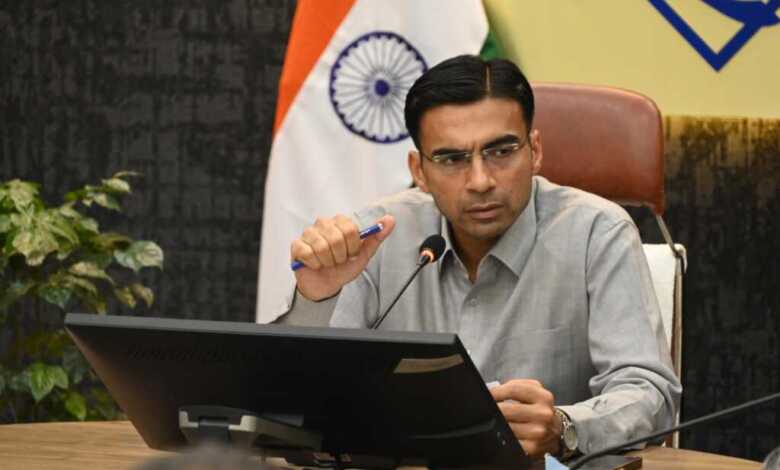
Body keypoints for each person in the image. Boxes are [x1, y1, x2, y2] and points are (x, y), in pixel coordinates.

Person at [274, 55, 681, 461]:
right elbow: (300, 404)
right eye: (452, 159)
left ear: (535, 151)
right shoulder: (376, 238)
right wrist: (316, 299)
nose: (481, 181)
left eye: (501, 151)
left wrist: (565, 427)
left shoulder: (598, 233)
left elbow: (648, 391)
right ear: (419, 171)